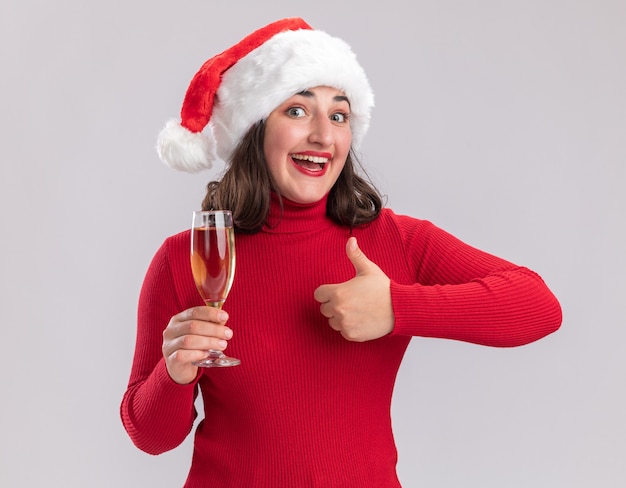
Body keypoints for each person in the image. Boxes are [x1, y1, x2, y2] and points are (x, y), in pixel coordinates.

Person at [120, 17, 562, 487]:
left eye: (339, 115)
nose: (323, 136)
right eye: (296, 111)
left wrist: (396, 307)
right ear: (253, 130)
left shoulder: (395, 242)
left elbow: (538, 305)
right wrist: (175, 372)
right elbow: (151, 436)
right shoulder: (188, 258)